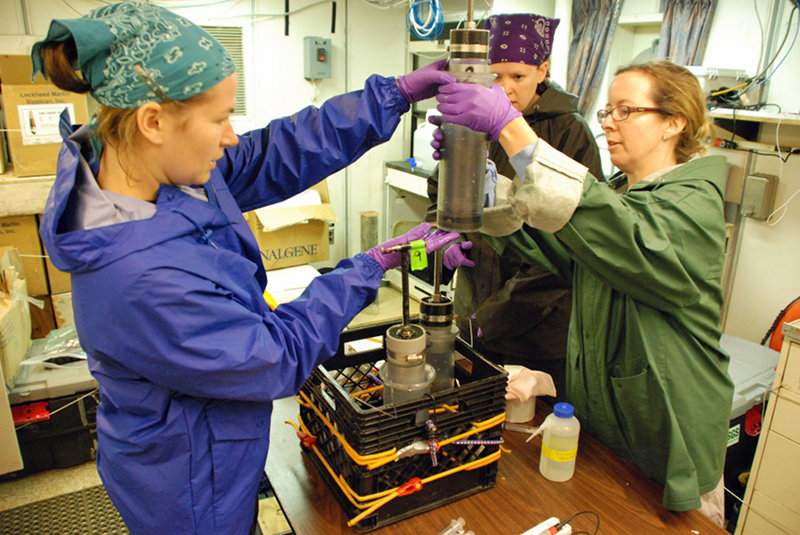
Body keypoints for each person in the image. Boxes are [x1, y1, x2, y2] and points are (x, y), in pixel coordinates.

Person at [32, 3, 471, 534]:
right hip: (190, 484)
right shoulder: (139, 279)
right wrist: (370, 265)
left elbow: (272, 153)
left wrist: (391, 95)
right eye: (218, 119)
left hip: (215, 438)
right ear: (152, 121)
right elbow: (274, 357)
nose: (231, 135)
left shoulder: (143, 165)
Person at [432, 60, 734, 524]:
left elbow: (624, 238)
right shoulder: (623, 194)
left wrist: (510, 130)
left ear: (674, 123)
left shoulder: (694, 205)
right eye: (608, 110)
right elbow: (554, 247)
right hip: (613, 433)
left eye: (626, 110)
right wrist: (480, 185)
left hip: (670, 434)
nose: (608, 121)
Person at [430, 13, 603, 396]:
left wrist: (492, 315)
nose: (505, 89)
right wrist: (448, 237)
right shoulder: (474, 121)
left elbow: (571, 245)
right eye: (494, 76)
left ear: (543, 70)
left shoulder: (570, 132)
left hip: (537, 325)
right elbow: (439, 193)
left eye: (518, 76)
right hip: (475, 304)